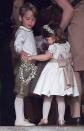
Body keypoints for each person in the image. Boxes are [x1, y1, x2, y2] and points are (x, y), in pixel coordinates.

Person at [28, 22, 79, 126]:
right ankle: (61, 119)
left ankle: (45, 118)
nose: (47, 41)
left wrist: (32, 57)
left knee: (48, 96)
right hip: (64, 73)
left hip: (53, 71)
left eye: (47, 38)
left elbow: (46, 57)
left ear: (54, 36)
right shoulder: (66, 45)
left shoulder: (53, 47)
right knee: (61, 98)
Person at [51, 0, 84, 125]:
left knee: (76, 68)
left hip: (78, 13)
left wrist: (57, 33)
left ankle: (76, 115)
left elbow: (69, 10)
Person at [14, 2, 38, 126]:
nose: (30, 22)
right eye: (27, 19)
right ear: (20, 18)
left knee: (25, 92)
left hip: (30, 65)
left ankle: (21, 118)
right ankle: (19, 119)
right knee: (21, 91)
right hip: (25, 65)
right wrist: (20, 51)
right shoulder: (22, 31)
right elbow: (18, 44)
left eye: (33, 19)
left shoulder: (29, 31)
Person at [0, 0, 15, 126]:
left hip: (4, 36)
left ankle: (7, 117)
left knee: (7, 80)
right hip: (5, 35)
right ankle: (7, 117)